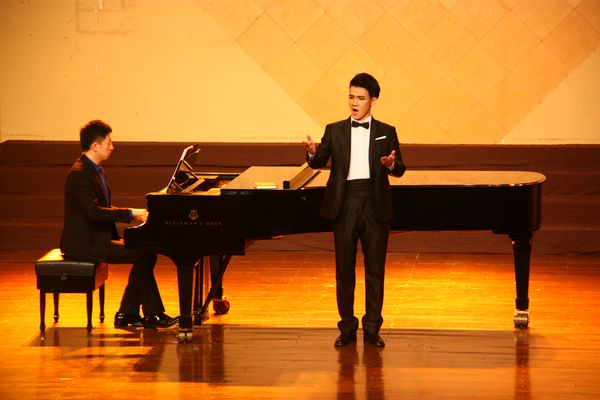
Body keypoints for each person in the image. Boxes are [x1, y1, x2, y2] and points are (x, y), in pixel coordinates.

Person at [303, 73, 406, 348]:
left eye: (360, 98)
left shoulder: (387, 131)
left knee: (375, 271)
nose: (354, 103)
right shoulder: (334, 130)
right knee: (344, 272)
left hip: (375, 205)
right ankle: (347, 327)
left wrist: (390, 165)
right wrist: (312, 153)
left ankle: (372, 328)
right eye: (351, 97)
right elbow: (319, 161)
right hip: (344, 204)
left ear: (373, 100)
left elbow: (400, 168)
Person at [60, 120, 178, 329]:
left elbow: (102, 207)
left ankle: (128, 313)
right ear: (95, 146)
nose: (112, 147)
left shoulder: (94, 170)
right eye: (109, 142)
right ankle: (150, 314)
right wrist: (131, 213)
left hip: (95, 238)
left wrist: (134, 213)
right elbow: (94, 213)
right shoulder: (80, 175)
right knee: (144, 253)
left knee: (147, 252)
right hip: (84, 244)